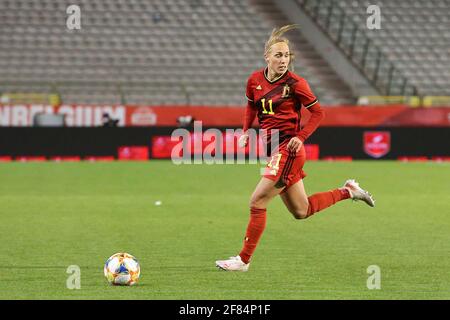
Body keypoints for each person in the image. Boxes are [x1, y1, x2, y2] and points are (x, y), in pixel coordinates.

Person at [215, 25, 375, 272]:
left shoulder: (296, 84)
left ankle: (243, 260)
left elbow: (318, 113)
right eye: (278, 55)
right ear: (266, 56)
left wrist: (300, 137)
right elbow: (250, 107)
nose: (283, 60)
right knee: (302, 210)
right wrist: (246, 131)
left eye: (287, 55)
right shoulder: (254, 81)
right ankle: (348, 191)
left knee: (257, 201)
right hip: (274, 150)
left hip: (288, 150)